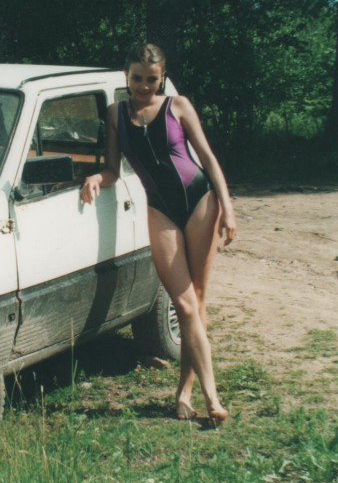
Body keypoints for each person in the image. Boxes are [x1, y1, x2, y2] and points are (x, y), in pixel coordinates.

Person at [81, 43, 236, 426]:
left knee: (197, 301)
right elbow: (114, 168)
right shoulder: (115, 114)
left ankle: (196, 394)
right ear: (126, 75)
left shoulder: (178, 106)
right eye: (137, 78)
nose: (144, 86)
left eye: (152, 79)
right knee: (184, 304)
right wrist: (96, 177)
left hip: (201, 201)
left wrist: (228, 207)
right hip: (160, 209)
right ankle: (204, 395)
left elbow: (208, 158)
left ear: (162, 77)